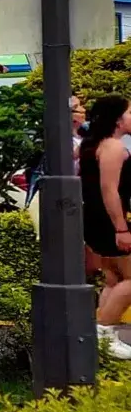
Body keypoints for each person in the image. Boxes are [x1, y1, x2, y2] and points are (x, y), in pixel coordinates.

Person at [81, 96, 131, 360]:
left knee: (113, 279)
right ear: (118, 119)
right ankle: (102, 330)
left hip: (95, 220)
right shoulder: (112, 147)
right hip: (110, 221)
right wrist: (121, 228)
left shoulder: (93, 145)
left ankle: (101, 338)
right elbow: (109, 189)